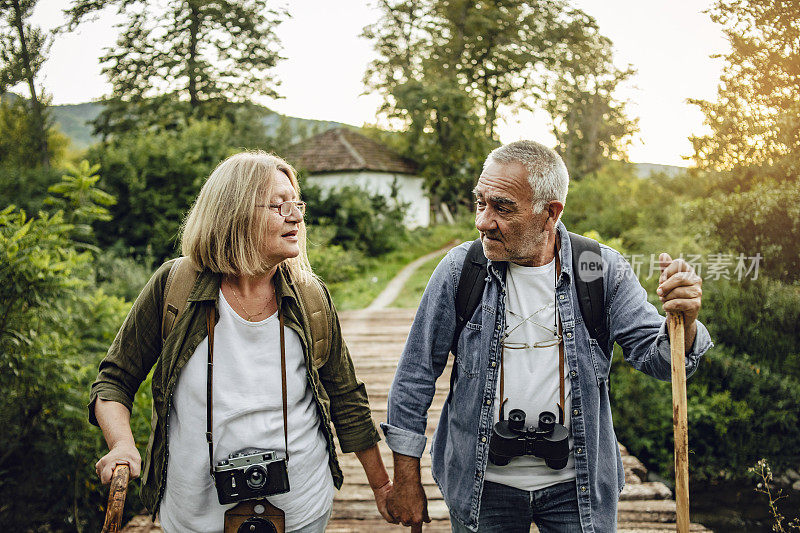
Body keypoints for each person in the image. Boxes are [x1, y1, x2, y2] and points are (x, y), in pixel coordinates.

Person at [382, 140, 713, 533]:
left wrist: (685, 322)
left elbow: (660, 361)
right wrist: (405, 479)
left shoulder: (599, 269)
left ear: (550, 213)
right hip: (482, 486)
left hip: (578, 488)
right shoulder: (461, 270)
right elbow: (415, 376)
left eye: (502, 207)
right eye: (480, 202)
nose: (483, 222)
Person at [90, 151, 393, 533]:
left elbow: (347, 398)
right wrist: (121, 445)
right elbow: (114, 379)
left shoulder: (310, 296)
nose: (296, 216)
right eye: (278, 206)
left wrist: (382, 487)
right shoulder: (174, 288)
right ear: (233, 213)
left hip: (301, 512)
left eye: (296, 203)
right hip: (195, 517)